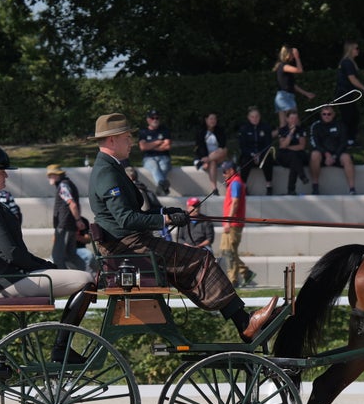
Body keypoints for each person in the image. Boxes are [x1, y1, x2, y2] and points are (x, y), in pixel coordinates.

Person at [87, 113, 278, 342]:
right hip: (129, 248)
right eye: (127, 137)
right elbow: (126, 219)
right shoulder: (107, 172)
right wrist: (165, 221)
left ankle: (241, 320)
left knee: (190, 261)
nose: (131, 142)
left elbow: (131, 214)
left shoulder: (111, 167)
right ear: (112, 140)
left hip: (130, 245)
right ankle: (244, 323)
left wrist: (165, 213)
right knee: (201, 259)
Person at [0, 145, 94, 362]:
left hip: (12, 276)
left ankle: (62, 347)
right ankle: (61, 348)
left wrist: (45, 265)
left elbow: (16, 253)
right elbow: (13, 254)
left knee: (81, 278)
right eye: (1, 172)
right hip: (10, 281)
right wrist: (47, 267)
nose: (5, 175)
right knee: (87, 279)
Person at [219, 161, 257, 287]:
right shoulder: (235, 182)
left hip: (233, 223)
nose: (223, 174)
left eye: (224, 171)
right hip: (233, 223)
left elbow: (235, 203)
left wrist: (228, 221)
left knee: (228, 251)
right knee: (229, 251)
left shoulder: (235, 183)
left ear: (231, 170)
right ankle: (245, 273)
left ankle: (233, 280)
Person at [47, 163, 89, 270]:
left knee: (57, 257)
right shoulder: (68, 183)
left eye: (51, 175)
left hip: (64, 226)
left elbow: (72, 204)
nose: (49, 178)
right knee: (71, 256)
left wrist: (78, 220)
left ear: (57, 175)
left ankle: (65, 282)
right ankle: (88, 275)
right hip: (69, 226)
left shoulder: (62, 186)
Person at [309, 105, 357, 195]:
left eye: (329, 114)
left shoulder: (341, 125)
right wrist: (326, 154)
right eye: (324, 114)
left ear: (333, 114)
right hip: (323, 155)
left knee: (346, 157)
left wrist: (334, 156)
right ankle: (315, 187)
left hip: (338, 155)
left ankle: (352, 189)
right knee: (314, 155)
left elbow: (344, 143)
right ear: (321, 115)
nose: (326, 116)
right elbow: (315, 143)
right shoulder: (316, 126)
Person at [335, 41, 364, 146]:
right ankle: (345, 139)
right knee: (348, 117)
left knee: (353, 116)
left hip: (347, 94)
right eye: (356, 48)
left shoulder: (348, 62)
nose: (358, 50)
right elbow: (352, 79)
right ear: (350, 50)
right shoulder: (347, 63)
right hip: (344, 94)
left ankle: (350, 139)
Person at [237, 106, 276, 194]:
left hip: (262, 154)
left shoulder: (266, 127)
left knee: (268, 160)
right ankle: (244, 186)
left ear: (260, 116)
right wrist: (252, 154)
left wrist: (260, 154)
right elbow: (242, 146)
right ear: (248, 117)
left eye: (257, 116)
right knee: (245, 161)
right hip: (249, 154)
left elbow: (268, 144)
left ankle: (269, 185)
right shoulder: (244, 129)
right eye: (252, 117)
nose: (255, 119)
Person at [273, 46, 315, 127]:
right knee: (295, 122)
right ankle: (298, 138)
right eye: (292, 55)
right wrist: (297, 58)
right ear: (288, 55)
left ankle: (272, 138)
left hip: (282, 97)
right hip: (285, 97)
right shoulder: (284, 66)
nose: (293, 57)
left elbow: (292, 85)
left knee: (284, 125)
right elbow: (300, 70)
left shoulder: (282, 66)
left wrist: (306, 93)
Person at [137, 109, 173, 195]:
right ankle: (164, 185)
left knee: (164, 167)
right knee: (154, 167)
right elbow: (143, 147)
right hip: (148, 158)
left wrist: (149, 146)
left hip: (164, 157)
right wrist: (158, 142)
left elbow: (167, 146)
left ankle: (160, 186)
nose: (155, 120)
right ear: (148, 119)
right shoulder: (143, 132)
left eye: (157, 118)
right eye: (152, 118)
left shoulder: (165, 130)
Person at [193, 112, 228, 194]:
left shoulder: (220, 131)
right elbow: (199, 147)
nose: (213, 121)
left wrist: (207, 159)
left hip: (217, 156)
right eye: (211, 119)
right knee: (212, 162)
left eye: (215, 119)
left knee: (224, 150)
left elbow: (223, 145)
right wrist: (205, 157)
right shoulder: (201, 131)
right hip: (203, 156)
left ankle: (206, 160)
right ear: (206, 120)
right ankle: (214, 189)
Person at [276, 109, 309, 195]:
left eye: (295, 118)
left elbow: (302, 146)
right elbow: (283, 145)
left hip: (297, 155)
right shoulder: (283, 130)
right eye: (291, 118)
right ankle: (302, 176)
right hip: (284, 157)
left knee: (294, 159)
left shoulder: (301, 130)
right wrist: (291, 132)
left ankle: (291, 189)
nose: (293, 121)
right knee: (294, 158)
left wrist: (288, 147)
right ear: (287, 119)